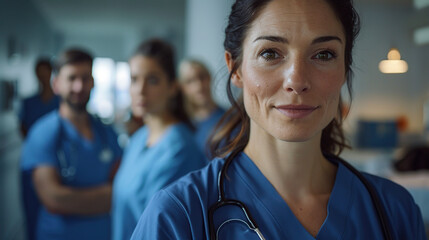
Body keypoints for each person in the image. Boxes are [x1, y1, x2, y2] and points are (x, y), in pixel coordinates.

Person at [130, 0, 427, 239]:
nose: (296, 81)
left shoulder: (394, 211)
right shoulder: (178, 215)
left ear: (344, 70)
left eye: (323, 55)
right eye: (271, 53)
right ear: (236, 69)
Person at [20, 48, 122, 240]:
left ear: (93, 82)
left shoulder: (106, 132)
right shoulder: (43, 133)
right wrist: (110, 196)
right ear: (56, 84)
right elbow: (53, 199)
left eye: (85, 78)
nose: (79, 86)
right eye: (72, 78)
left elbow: (122, 185)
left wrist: (73, 199)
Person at [112, 39, 207, 240]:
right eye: (134, 79)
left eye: (152, 80)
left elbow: (164, 226)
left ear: (172, 87)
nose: (140, 89)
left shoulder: (180, 149)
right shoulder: (138, 138)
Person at [178, 59, 225, 156]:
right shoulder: (181, 124)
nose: (198, 86)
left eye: (202, 77)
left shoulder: (230, 120)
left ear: (210, 78)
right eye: (190, 81)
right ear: (182, 88)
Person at [18, 58, 60, 137]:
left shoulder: (62, 101)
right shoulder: (28, 103)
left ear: (51, 72)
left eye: (45, 71)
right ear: (36, 74)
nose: (43, 75)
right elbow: (23, 127)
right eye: (40, 71)